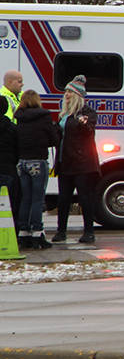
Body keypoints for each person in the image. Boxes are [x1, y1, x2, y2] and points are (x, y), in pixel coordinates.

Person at [52, 75, 100, 245]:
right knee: (63, 199)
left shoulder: (87, 113)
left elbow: (89, 131)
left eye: (70, 92)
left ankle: (89, 232)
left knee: (85, 198)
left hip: (83, 163)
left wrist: (83, 123)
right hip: (65, 162)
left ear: (78, 95)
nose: (66, 95)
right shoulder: (63, 115)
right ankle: (61, 231)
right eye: (65, 91)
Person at [15, 90, 60, 250]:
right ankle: (37, 234)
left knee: (25, 198)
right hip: (38, 162)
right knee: (37, 199)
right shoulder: (44, 117)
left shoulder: (19, 117)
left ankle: (23, 233)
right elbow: (54, 139)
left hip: (22, 163)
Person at [0, 69, 22, 216]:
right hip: (8, 151)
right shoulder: (5, 98)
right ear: (9, 82)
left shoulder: (17, 97)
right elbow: (8, 120)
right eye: (19, 81)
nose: (22, 84)